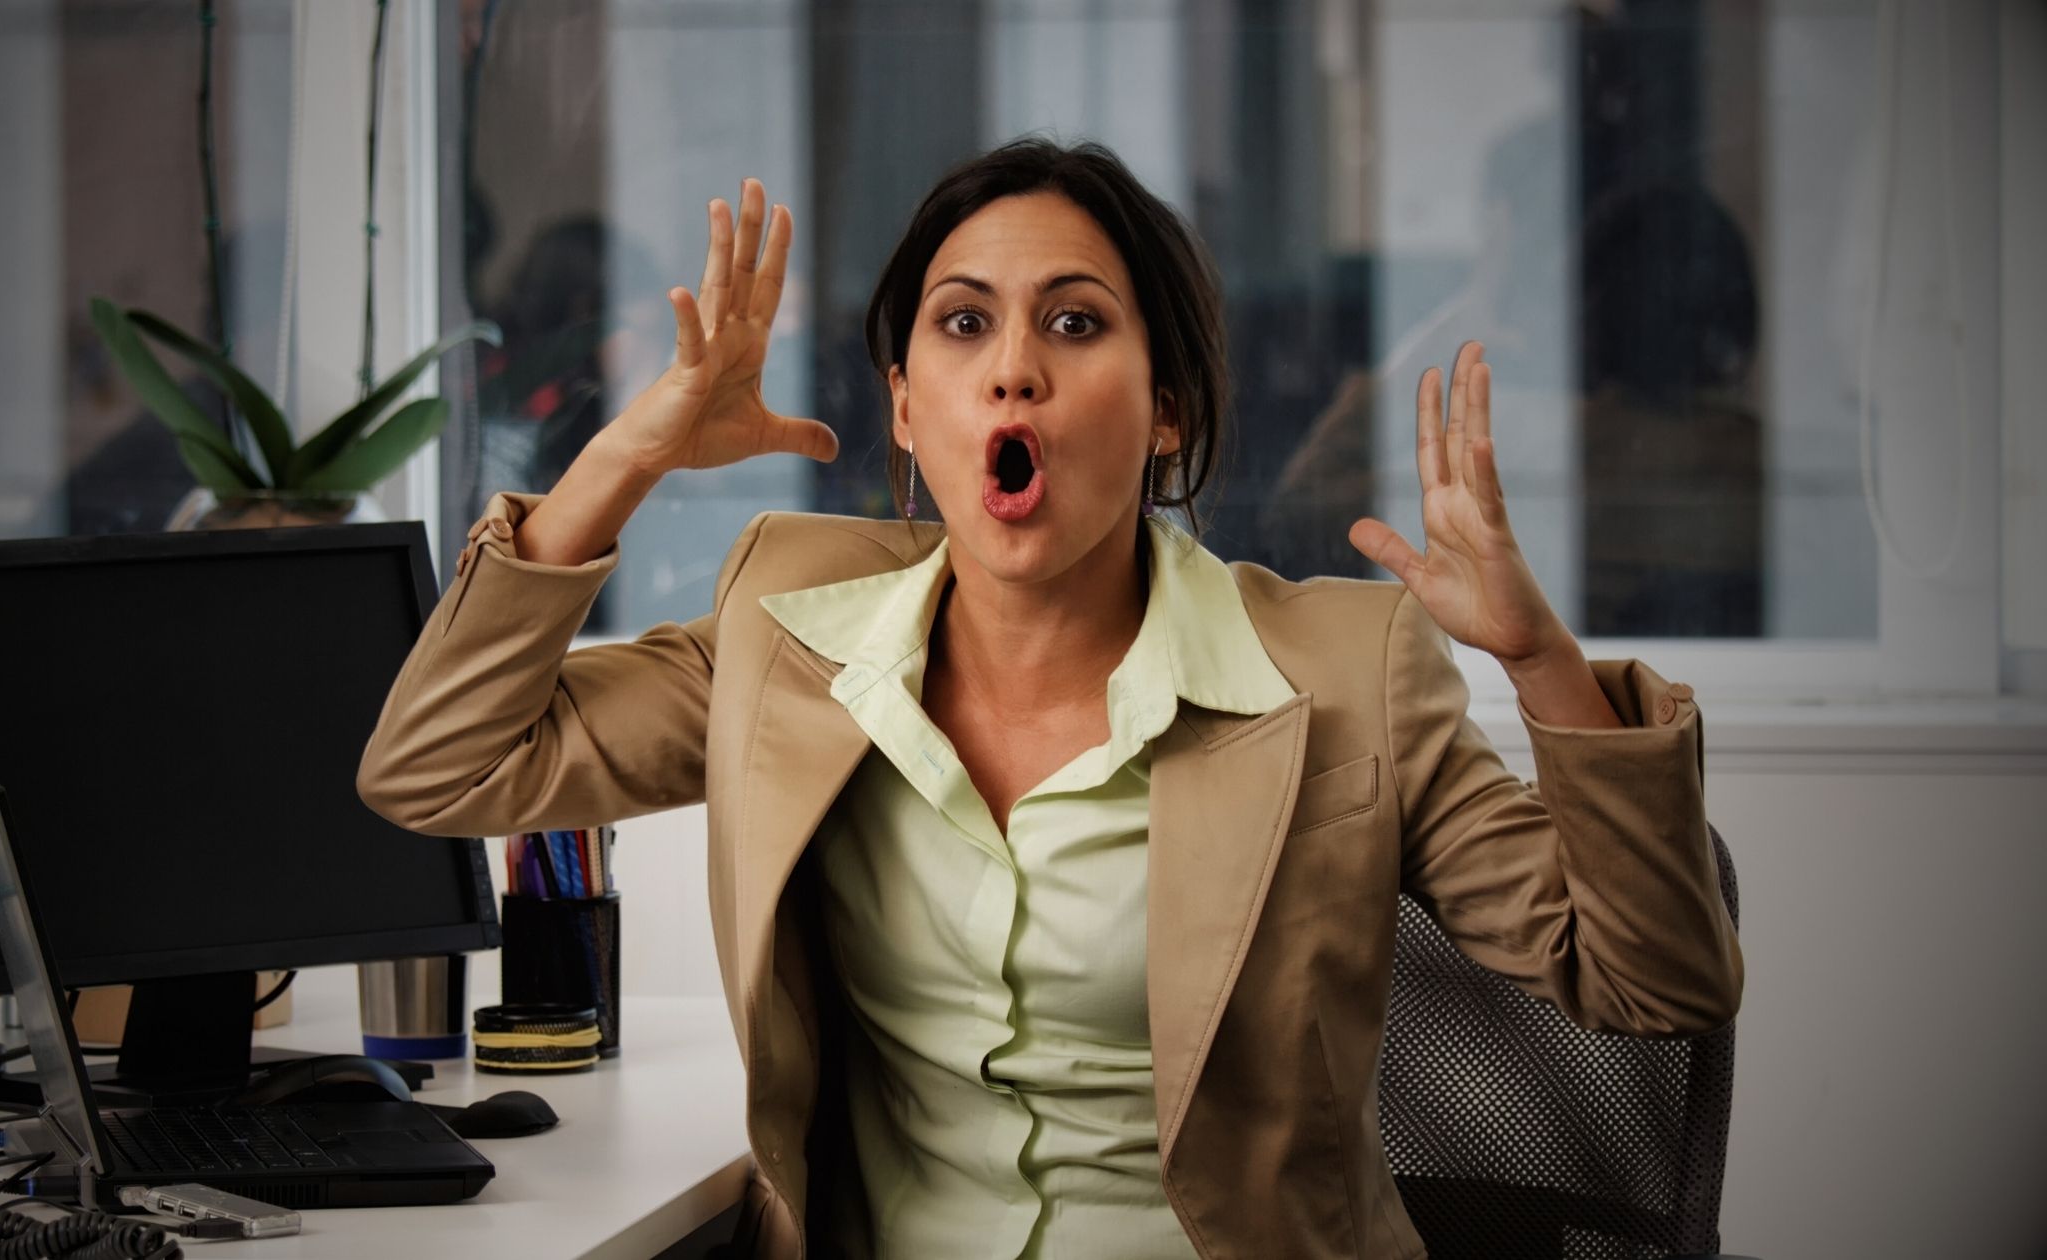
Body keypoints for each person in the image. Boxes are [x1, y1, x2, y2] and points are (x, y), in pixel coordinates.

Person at [357, 140, 1742, 1260]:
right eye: (964, 326)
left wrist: (1542, 666)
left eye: (1075, 323)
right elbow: (437, 770)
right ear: (908, 408)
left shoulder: (1339, 671)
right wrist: (628, 457)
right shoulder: (788, 628)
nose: (1014, 365)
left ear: (1168, 410)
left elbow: (1655, 981)